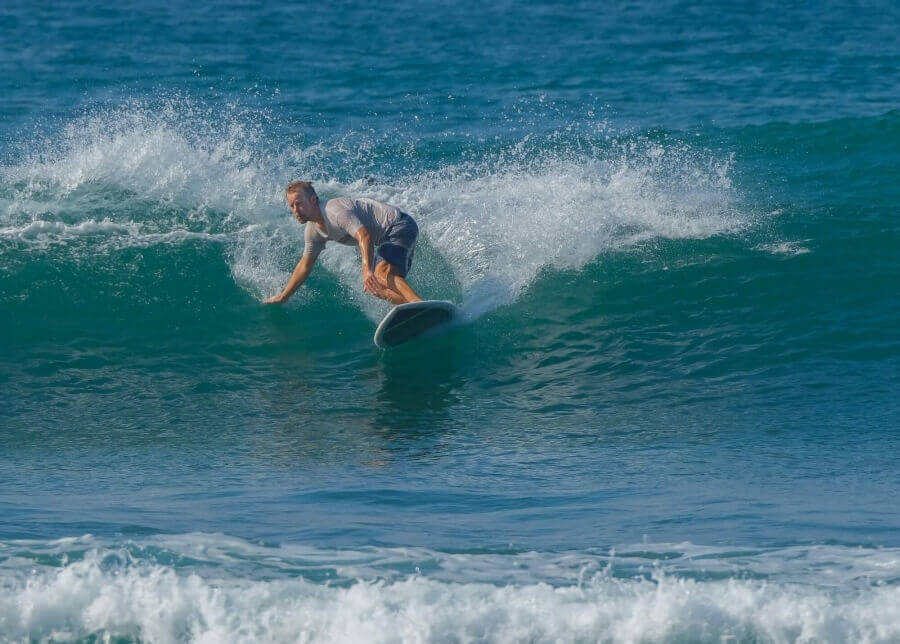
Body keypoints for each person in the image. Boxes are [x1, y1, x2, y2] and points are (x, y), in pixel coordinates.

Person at [264, 181, 423, 306]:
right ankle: (411, 307)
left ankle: (417, 303)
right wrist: (283, 297)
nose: (295, 210)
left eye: (299, 203)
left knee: (379, 275)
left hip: (398, 224)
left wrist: (367, 271)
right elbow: (304, 266)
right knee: (379, 288)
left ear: (313, 200)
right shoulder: (313, 232)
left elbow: (364, 236)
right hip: (388, 237)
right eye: (291, 206)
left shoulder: (334, 211)